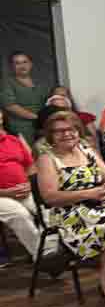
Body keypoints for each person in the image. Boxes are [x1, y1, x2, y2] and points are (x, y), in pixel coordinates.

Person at [36, 111, 105, 300]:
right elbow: (50, 197)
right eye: (59, 131)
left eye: (71, 129)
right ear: (50, 135)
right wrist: (89, 193)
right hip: (69, 212)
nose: (67, 134)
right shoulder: (47, 159)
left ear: (78, 131)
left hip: (99, 204)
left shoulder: (87, 151)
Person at [0, 107, 60, 267]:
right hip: (1, 196)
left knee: (50, 211)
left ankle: (52, 252)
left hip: (24, 190)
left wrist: (29, 184)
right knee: (20, 215)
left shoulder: (13, 140)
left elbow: (30, 166)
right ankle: (43, 257)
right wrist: (5, 192)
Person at [1, 51, 51, 145]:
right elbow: (9, 105)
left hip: (42, 123)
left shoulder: (40, 82)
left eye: (25, 62)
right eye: (17, 63)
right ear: (11, 66)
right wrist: (36, 117)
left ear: (30, 64)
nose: (22, 66)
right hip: (20, 125)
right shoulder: (6, 83)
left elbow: (48, 101)